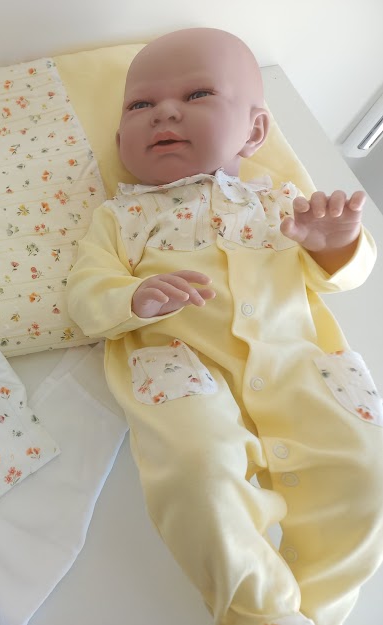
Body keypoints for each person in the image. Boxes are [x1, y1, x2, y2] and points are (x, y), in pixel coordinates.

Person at [66, 27, 383, 625]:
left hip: (299, 369)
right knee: (197, 477)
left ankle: (322, 605)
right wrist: (132, 296)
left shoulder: (281, 203)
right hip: (189, 377)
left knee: (366, 472)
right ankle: (260, 612)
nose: (164, 111)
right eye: (140, 105)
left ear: (255, 132)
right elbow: (85, 293)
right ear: (119, 138)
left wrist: (337, 245)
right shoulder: (123, 217)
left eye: (198, 95)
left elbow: (347, 274)